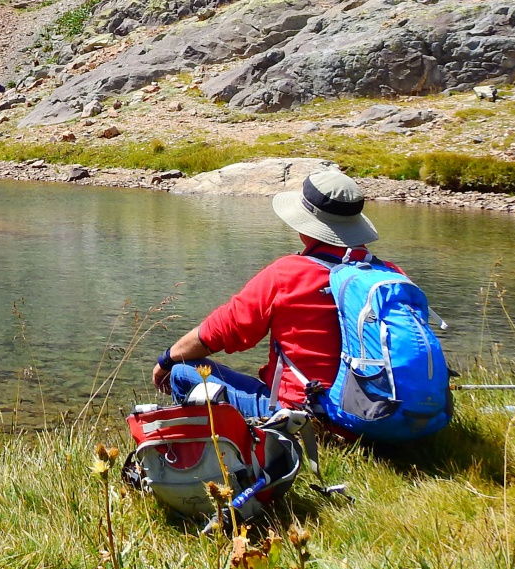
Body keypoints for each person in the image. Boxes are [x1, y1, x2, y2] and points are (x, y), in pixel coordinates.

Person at [150, 168, 403, 419]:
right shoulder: (391, 274)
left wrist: (165, 360)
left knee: (182, 371)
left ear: (307, 226)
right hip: (389, 413)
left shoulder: (289, 273)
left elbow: (222, 331)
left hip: (310, 414)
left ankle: (206, 450)